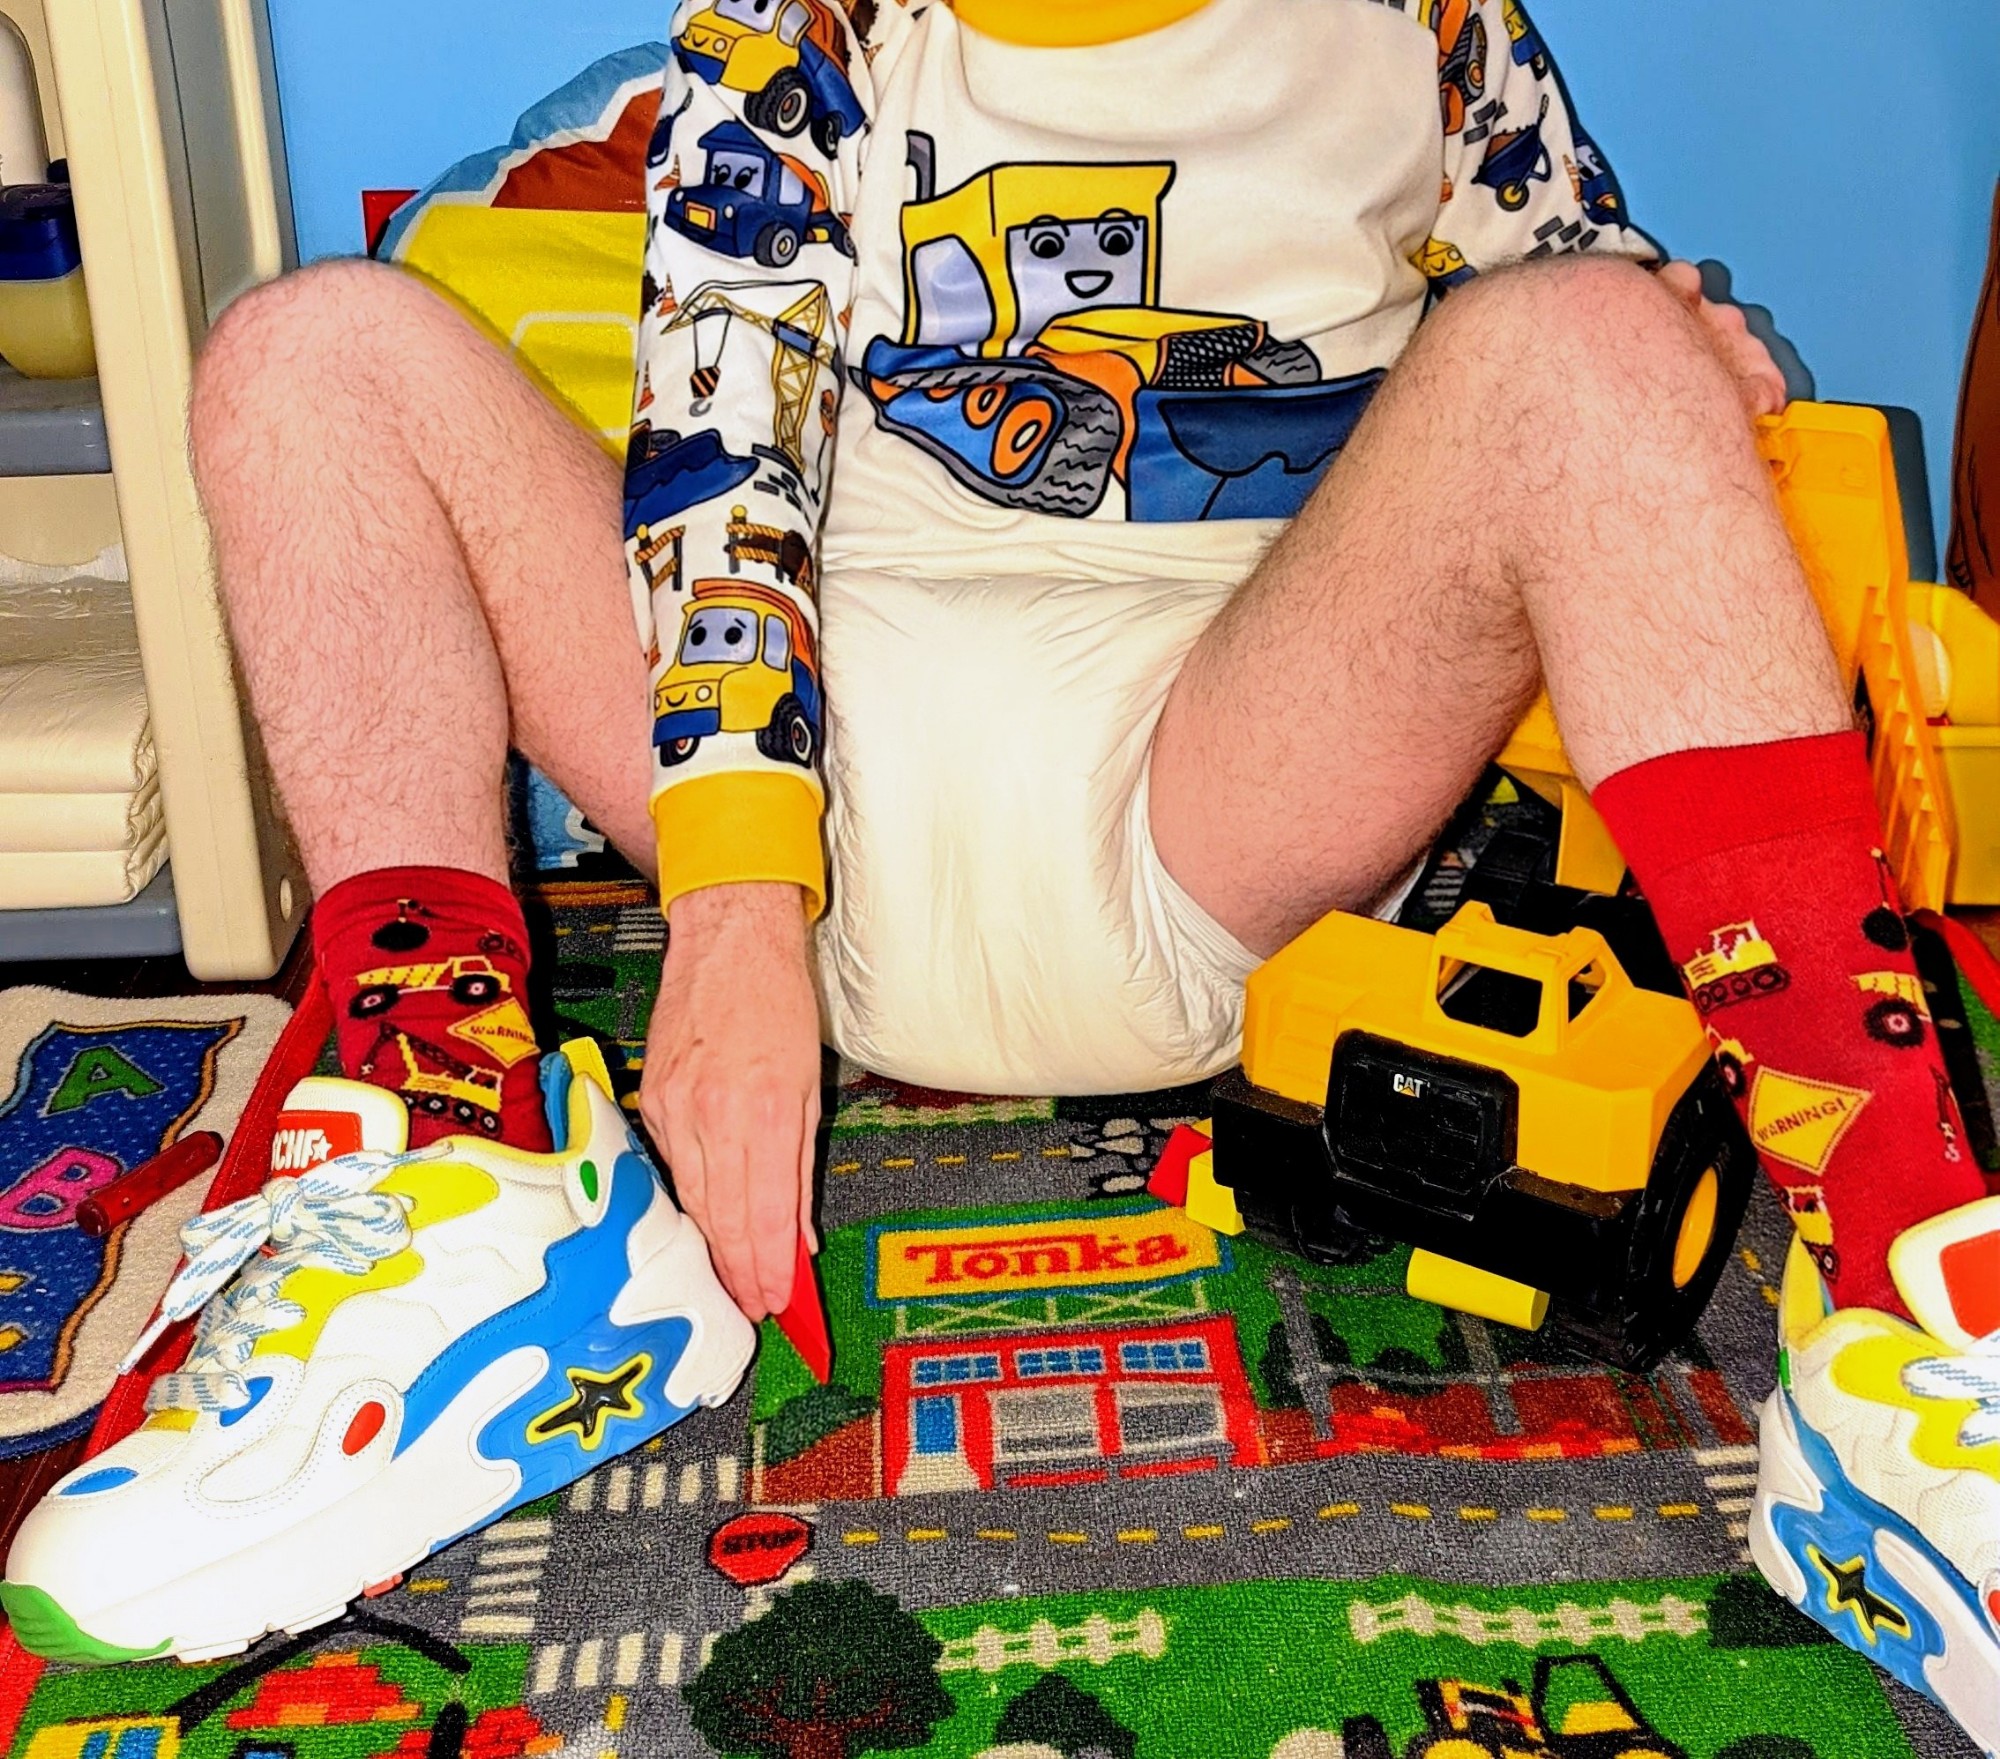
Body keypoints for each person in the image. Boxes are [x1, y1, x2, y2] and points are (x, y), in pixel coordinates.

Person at [9, 0, 1995, 1739]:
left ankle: (1912, 1322)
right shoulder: (796, 34)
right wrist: (735, 907)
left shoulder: (1428, 22)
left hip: (1224, 790)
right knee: (307, 354)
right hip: (795, 784)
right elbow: (719, 460)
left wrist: (1675, 348)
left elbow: (1577, 273)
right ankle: (471, 1178)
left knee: (1593, 345)